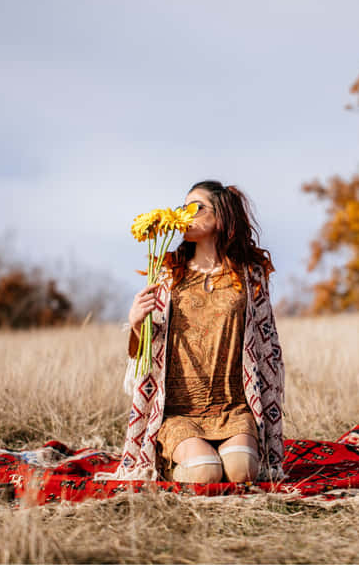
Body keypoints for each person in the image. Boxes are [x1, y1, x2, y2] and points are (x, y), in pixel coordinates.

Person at [115, 181, 285, 484]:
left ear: (221, 218)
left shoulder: (250, 275)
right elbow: (148, 349)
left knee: (242, 471)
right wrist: (137, 320)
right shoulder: (168, 274)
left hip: (233, 407)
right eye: (182, 208)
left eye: (196, 208)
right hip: (179, 411)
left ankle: (215, 456)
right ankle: (168, 462)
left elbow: (266, 344)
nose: (184, 215)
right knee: (206, 472)